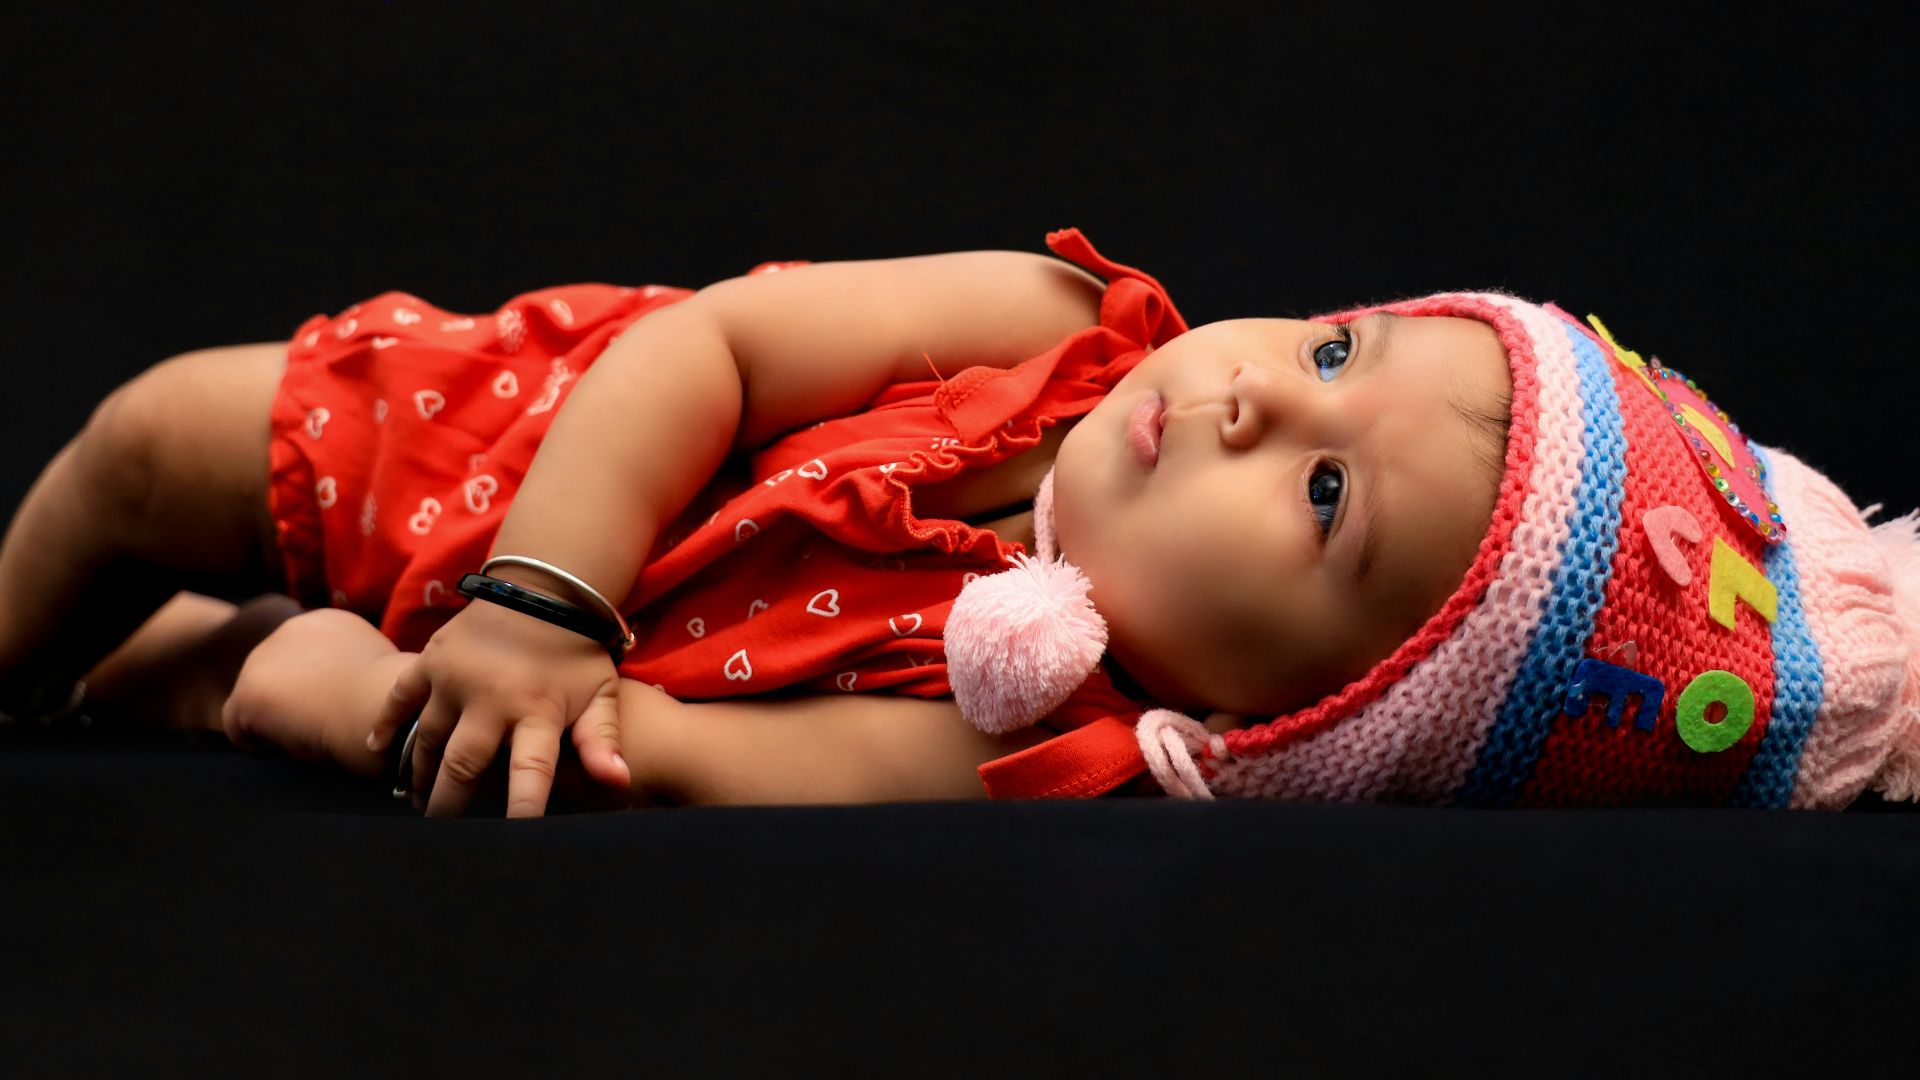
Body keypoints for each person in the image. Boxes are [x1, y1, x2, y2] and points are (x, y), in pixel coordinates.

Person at [1, 230, 1914, 817]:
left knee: (380, 717)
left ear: (1296, 719)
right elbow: (714, 348)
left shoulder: (1012, 739)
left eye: (1327, 493)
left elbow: (647, 759)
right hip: (525, 466)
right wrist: (540, 586)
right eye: (1339, 349)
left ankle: (234, 687)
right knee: (151, 434)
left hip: (491, 680)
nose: (1266, 395)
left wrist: (452, 680)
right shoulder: (1055, 332)